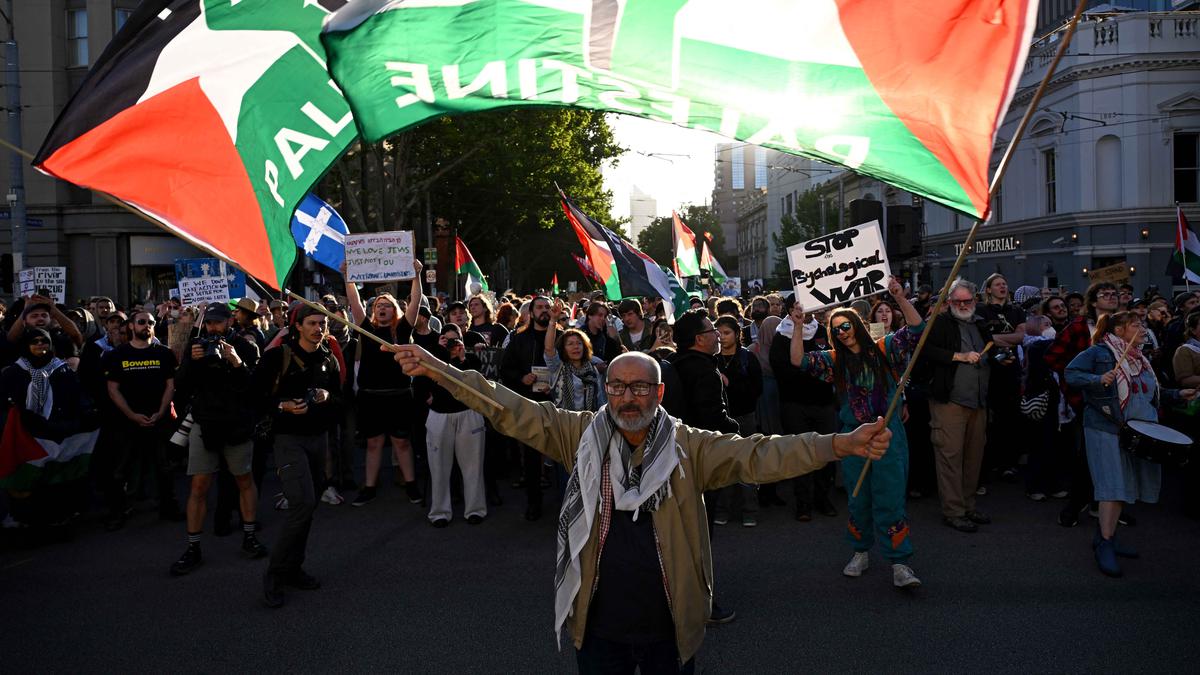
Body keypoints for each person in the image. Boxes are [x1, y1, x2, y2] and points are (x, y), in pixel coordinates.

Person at [388, 344, 891, 672]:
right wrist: (437, 369)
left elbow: (760, 455)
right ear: (607, 389)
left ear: (660, 392)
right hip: (597, 623)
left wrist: (840, 444)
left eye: (641, 387)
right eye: (618, 387)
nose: (628, 398)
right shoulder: (577, 434)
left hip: (669, 624)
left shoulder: (690, 448)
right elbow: (510, 409)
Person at [790, 276, 925, 588]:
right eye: (836, 329)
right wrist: (797, 325)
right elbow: (798, 360)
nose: (842, 332)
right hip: (853, 437)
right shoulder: (834, 360)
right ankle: (860, 552)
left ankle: (900, 563)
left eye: (846, 325)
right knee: (858, 498)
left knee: (890, 497)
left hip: (888, 435)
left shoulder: (884, 348)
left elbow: (917, 329)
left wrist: (899, 297)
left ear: (858, 326)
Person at [1065, 311, 1197, 577]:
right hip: (1106, 427)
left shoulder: (1140, 358)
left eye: (1143, 324)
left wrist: (1177, 395)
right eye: (1137, 325)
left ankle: (1107, 537)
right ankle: (1104, 543)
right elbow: (1071, 373)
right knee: (1112, 487)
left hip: (1134, 430)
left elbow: (1150, 394)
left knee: (1123, 486)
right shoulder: (1100, 352)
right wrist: (1096, 379)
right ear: (1120, 330)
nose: (1143, 328)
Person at [169, 303, 267, 576]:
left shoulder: (245, 346)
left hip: (236, 425)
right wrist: (191, 361)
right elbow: (181, 385)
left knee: (244, 480)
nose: (213, 328)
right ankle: (193, 547)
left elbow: (256, 389)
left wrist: (236, 362)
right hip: (205, 424)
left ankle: (249, 536)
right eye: (209, 322)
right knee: (199, 485)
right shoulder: (196, 346)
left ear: (230, 321)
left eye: (218, 322)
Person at [255, 304, 342, 608]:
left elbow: (341, 399)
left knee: (308, 505)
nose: (319, 328)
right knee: (301, 503)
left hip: (318, 440)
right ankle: (275, 574)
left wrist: (327, 397)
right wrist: (284, 406)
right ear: (298, 326)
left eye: (322, 323)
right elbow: (253, 396)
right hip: (287, 439)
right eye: (312, 323)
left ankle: (294, 568)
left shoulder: (329, 359)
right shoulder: (277, 357)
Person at [667, 309, 739, 624]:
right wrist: (736, 429)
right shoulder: (704, 371)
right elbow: (713, 419)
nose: (717, 335)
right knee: (699, 535)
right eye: (712, 330)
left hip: (673, 460)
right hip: (699, 461)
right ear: (699, 339)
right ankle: (699, 603)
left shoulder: (673, 364)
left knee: (679, 532)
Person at [918, 279, 995, 533]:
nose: (962, 305)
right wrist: (958, 356)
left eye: (967, 301)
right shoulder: (940, 322)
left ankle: (968, 505)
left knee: (974, 457)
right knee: (950, 457)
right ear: (949, 302)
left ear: (975, 300)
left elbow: (989, 350)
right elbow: (924, 350)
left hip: (978, 401)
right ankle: (954, 511)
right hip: (950, 401)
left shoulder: (980, 323)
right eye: (957, 301)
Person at [345, 260, 424, 506]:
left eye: (387, 305)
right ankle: (369, 487)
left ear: (395, 311)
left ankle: (411, 485)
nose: (382, 308)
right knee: (373, 443)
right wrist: (348, 277)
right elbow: (354, 301)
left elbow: (416, 300)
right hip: (371, 396)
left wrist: (417, 275)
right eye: (378, 305)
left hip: (399, 395)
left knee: (402, 442)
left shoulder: (402, 330)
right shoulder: (365, 328)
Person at [0, 328, 97, 527]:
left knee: (55, 480)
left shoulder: (62, 369)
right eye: (34, 341)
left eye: (44, 341)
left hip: (57, 431)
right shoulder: (13, 372)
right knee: (30, 480)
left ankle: (57, 520)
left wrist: (82, 418)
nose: (40, 345)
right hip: (28, 434)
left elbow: (76, 396)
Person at [1045, 282, 1119, 527]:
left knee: (1113, 455)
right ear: (1093, 301)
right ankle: (1075, 505)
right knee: (1088, 455)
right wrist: (1077, 383)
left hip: (1117, 401)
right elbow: (1053, 357)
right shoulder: (1078, 327)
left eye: (1114, 294)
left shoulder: (1120, 327)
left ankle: (1105, 505)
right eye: (1105, 294)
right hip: (1088, 401)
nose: (1111, 297)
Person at [101, 311, 182, 531]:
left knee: (164, 467)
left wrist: (161, 411)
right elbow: (113, 389)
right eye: (142, 322)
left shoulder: (164, 353)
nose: (147, 325)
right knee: (121, 469)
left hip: (158, 421)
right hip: (127, 423)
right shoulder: (117, 354)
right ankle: (117, 512)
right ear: (131, 326)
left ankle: (168, 507)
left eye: (151, 322)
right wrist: (131, 415)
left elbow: (170, 386)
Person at [768, 299, 838, 520]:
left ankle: (823, 498)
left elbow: (832, 364)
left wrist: (814, 372)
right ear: (791, 311)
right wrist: (815, 373)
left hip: (824, 404)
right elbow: (783, 372)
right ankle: (803, 502)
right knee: (800, 453)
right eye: (799, 307)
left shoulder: (822, 332)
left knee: (826, 452)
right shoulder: (782, 337)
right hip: (794, 405)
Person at [417, 334, 486, 527]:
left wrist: (462, 359)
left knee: (473, 466)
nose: (452, 345)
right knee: (438, 466)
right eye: (447, 341)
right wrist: (440, 353)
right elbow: (420, 382)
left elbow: (476, 383)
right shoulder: (432, 358)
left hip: (468, 414)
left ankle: (475, 509)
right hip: (440, 415)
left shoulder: (471, 361)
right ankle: (439, 511)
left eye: (455, 340)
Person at [499, 295, 554, 520]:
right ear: (531, 313)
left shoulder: (561, 337)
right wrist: (522, 377)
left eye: (547, 307)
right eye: (539, 307)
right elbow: (505, 369)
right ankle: (534, 502)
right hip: (529, 403)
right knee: (532, 455)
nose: (544, 310)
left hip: (556, 403)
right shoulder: (519, 339)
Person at [713, 315, 762, 528]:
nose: (722, 337)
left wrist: (730, 383)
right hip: (721, 418)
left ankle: (749, 510)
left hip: (745, 417)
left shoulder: (747, 358)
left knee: (746, 463)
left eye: (726, 333)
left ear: (736, 334)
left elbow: (757, 389)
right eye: (718, 333)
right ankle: (722, 509)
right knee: (723, 464)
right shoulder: (712, 359)